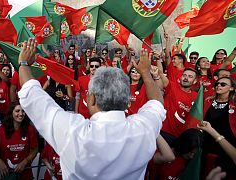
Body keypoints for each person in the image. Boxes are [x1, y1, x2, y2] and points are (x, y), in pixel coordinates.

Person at [17, 39, 165, 179]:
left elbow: (31, 95)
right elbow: (157, 103)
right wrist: (145, 73)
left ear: (91, 99)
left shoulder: (72, 132)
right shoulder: (143, 129)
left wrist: (24, 63)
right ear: (127, 101)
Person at [0, 102, 38, 180]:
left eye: (23, 111)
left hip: (25, 174)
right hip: (7, 175)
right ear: (11, 113)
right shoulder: (1, 130)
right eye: (17, 111)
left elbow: (35, 149)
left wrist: (25, 161)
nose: (21, 114)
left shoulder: (30, 129)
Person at [201, 77, 236, 179]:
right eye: (217, 84)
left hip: (225, 148)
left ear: (232, 88)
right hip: (205, 145)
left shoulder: (234, 106)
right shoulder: (207, 101)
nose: (218, 86)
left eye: (223, 84)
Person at [157, 68, 198, 144]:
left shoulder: (196, 97)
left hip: (179, 137)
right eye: (184, 75)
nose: (186, 78)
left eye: (190, 76)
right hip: (161, 131)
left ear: (195, 81)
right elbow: (160, 75)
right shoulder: (172, 86)